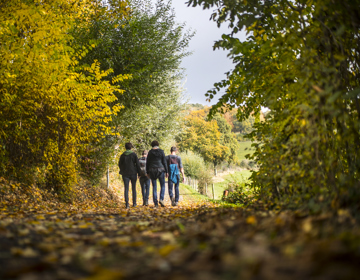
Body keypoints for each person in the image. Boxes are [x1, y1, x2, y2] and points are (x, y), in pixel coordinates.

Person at [118, 142, 141, 209]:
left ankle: (127, 204)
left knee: (126, 188)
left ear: (125, 147)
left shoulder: (122, 155)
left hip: (125, 174)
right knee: (133, 188)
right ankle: (134, 203)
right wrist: (139, 173)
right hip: (133, 173)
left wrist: (122, 170)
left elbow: (119, 164)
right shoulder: (134, 155)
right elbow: (137, 164)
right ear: (131, 147)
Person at [146, 140, 168, 207]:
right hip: (160, 169)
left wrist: (147, 172)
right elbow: (164, 162)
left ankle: (155, 203)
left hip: (152, 170)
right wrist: (167, 171)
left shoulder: (150, 152)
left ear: (152, 145)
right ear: (158, 145)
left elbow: (148, 162)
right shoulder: (161, 151)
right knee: (162, 185)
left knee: (154, 187)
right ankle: (161, 199)